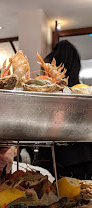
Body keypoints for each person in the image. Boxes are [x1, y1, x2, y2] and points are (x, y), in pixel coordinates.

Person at [35, 40, 92, 180]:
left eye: (46, 73)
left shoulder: (66, 97)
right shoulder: (83, 95)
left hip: (59, 163)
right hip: (85, 160)